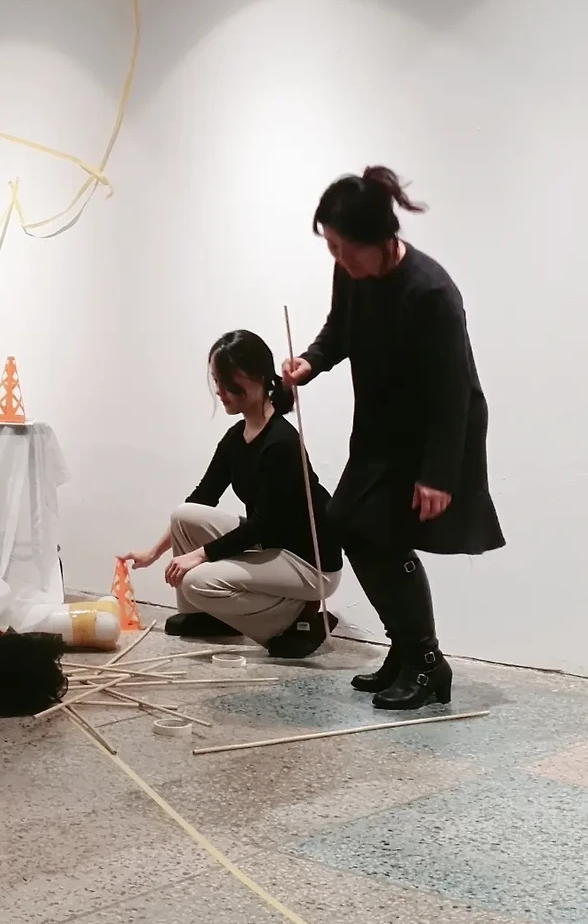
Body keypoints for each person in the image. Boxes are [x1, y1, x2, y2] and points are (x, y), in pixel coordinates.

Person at [284, 167, 503, 710]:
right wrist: (311, 361)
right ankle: (408, 652)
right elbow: (341, 327)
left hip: (431, 436)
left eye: (346, 248)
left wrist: (439, 475)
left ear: (382, 239)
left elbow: (454, 392)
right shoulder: (352, 273)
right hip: (380, 429)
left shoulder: (431, 292)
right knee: (348, 524)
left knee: (380, 534)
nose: (340, 259)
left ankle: (425, 663)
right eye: (331, 248)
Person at [125, 330, 342, 658]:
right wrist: (154, 552)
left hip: (309, 562)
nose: (219, 391)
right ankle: (209, 616)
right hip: (272, 544)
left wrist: (200, 555)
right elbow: (202, 497)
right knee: (184, 515)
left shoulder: (281, 442)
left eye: (227, 382)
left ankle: (297, 621)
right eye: (216, 380)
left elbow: (261, 526)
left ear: (259, 377)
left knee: (196, 580)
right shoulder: (236, 437)